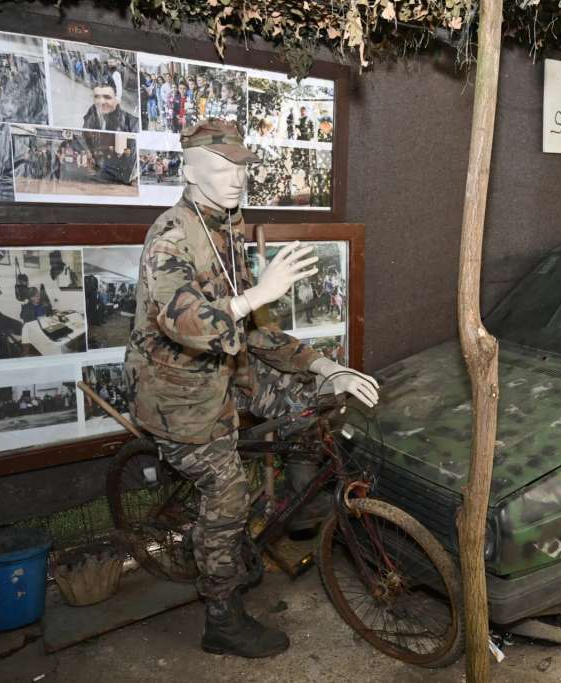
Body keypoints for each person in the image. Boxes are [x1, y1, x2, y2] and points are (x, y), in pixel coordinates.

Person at [124, 119, 378, 659]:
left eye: (241, 167)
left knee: (312, 408)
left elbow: (254, 329)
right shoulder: (171, 235)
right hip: (178, 399)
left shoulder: (227, 224)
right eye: (222, 168)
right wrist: (256, 294)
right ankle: (222, 618)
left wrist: (319, 366)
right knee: (228, 495)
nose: (236, 178)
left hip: (226, 374)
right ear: (189, 171)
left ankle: (298, 512)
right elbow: (185, 323)